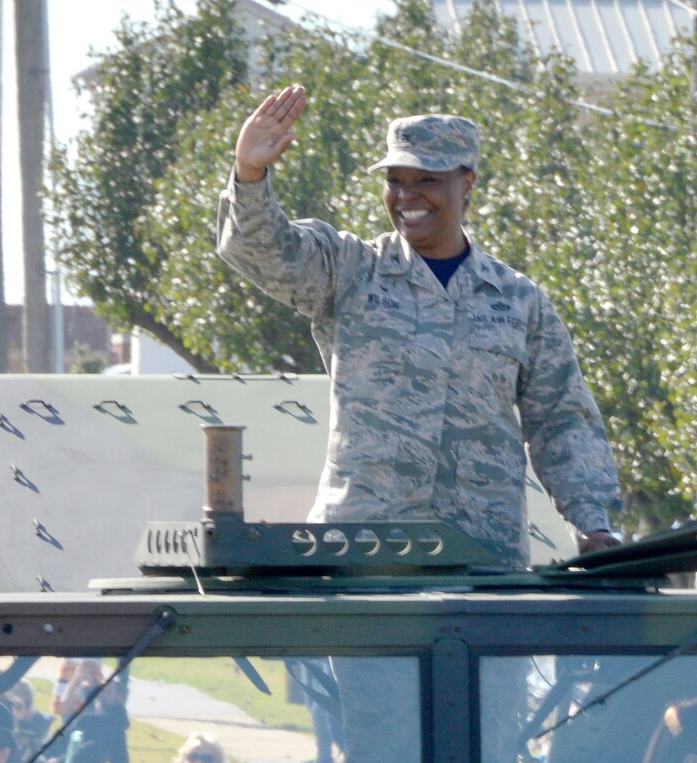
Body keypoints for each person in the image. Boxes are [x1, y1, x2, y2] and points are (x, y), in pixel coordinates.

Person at [217, 95, 621, 564]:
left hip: (481, 557)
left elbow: (563, 420)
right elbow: (263, 251)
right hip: (360, 555)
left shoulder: (517, 300)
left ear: (467, 183)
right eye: (395, 181)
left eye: (427, 180)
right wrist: (250, 175)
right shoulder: (350, 271)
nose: (407, 195)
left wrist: (592, 522)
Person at [54, 660, 131, 763]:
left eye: (107, 692)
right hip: (64, 762)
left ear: (119, 698)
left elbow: (90, 751)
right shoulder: (98, 717)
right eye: (101, 691)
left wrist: (58, 761)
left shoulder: (107, 725)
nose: (101, 695)